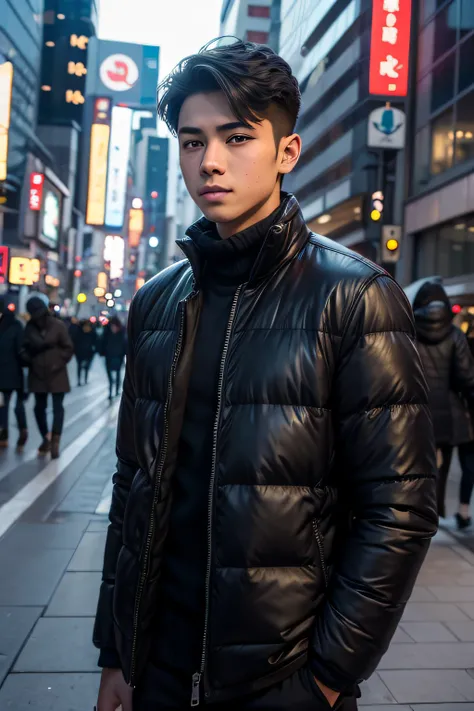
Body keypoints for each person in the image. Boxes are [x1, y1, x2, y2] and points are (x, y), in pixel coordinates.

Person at [94, 39, 438, 711]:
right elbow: (132, 484)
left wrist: (326, 677)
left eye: (236, 137)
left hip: (281, 678)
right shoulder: (155, 302)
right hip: (156, 669)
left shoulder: (355, 297)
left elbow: (399, 508)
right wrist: (115, 650)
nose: (210, 161)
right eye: (193, 142)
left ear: (287, 152)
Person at [406, 277, 474, 529]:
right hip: (451, 415)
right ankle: (448, 511)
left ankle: (425, 513)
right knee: (452, 465)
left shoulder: (410, 334)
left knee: (422, 467)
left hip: (418, 414)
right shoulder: (455, 336)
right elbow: (467, 378)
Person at [21, 295, 74, 459]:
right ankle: (46, 437)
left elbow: (68, 348)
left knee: (58, 407)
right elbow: (23, 349)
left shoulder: (58, 326)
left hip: (56, 373)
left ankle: (55, 441)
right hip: (37, 374)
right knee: (39, 408)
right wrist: (30, 361)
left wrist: (57, 363)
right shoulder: (29, 328)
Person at [0, 297, 28, 449]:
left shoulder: (6, 327)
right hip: (14, 373)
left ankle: (7, 433)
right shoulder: (17, 326)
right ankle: (20, 430)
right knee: (15, 405)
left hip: (7, 374)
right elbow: (21, 350)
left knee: (6, 405)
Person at [99, 317, 126, 400]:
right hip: (109, 356)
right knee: (110, 375)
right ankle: (111, 391)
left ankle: (117, 390)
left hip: (118, 356)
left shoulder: (121, 334)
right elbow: (102, 343)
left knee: (117, 374)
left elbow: (125, 344)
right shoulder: (107, 333)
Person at [73, 319, 97, 386]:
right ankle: (84, 380)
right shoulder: (91, 331)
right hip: (86, 352)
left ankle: (80, 380)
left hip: (82, 352)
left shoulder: (79, 331)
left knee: (80, 367)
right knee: (84, 366)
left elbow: (75, 341)